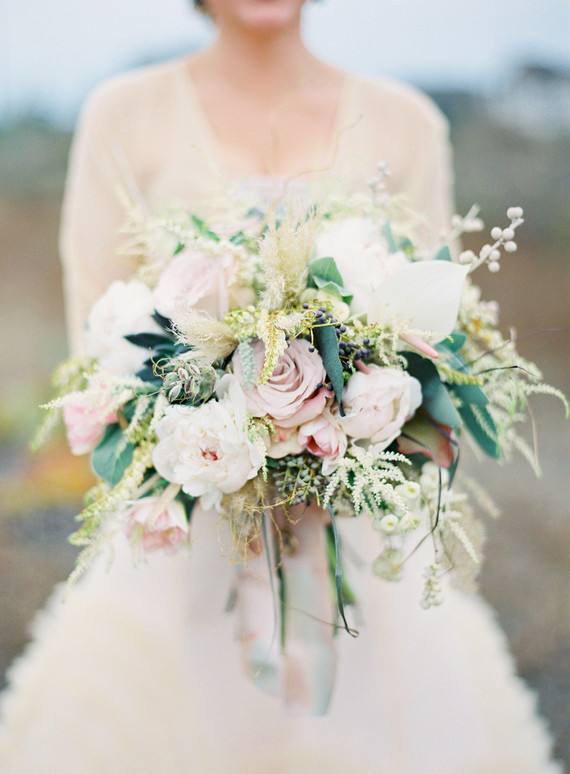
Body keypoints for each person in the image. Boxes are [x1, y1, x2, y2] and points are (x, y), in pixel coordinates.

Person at [0, 1, 562, 771]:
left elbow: (433, 327)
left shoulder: (407, 123)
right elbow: (98, 333)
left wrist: (342, 432)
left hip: (356, 526)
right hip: (185, 515)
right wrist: (226, 435)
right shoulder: (122, 113)